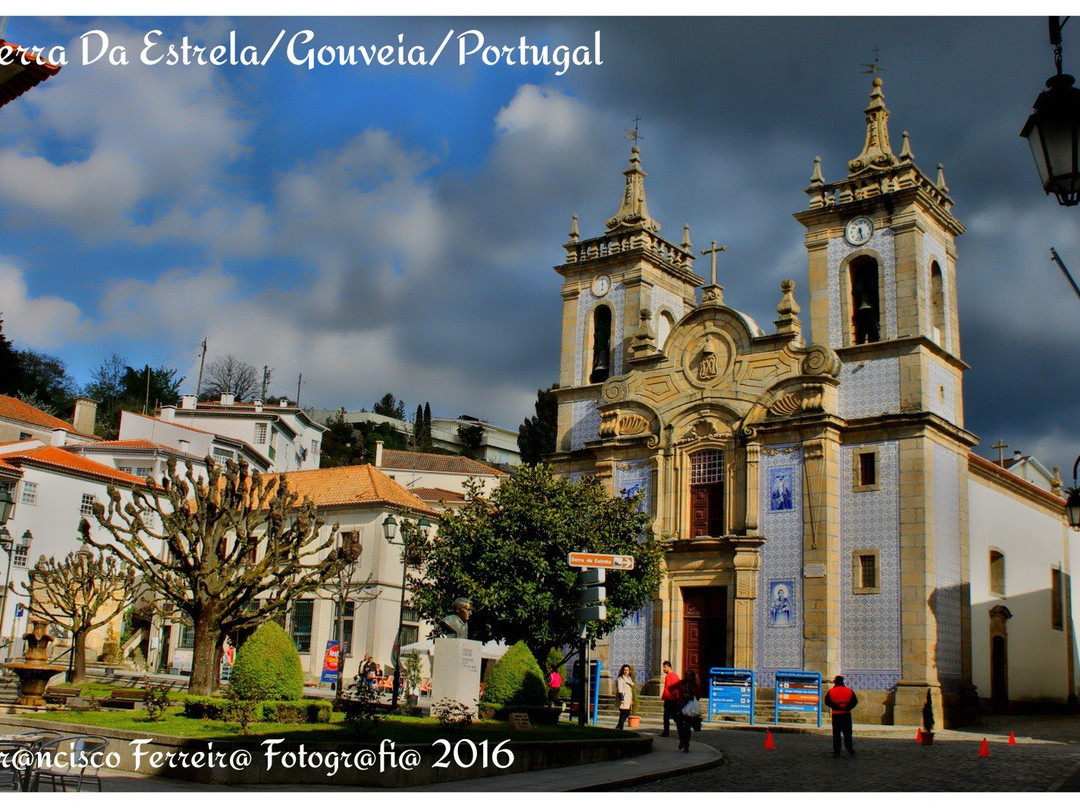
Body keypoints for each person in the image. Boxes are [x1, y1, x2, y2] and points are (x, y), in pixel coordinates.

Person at [824, 674, 858, 756]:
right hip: (846, 714)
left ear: (835, 682)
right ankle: (849, 748)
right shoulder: (849, 691)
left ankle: (837, 750)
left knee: (836, 733)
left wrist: (835, 707)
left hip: (836, 715)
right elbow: (854, 701)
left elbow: (827, 702)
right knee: (847, 733)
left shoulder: (831, 691)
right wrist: (847, 707)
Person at [673, 669, 700, 752]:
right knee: (679, 725)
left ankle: (686, 745)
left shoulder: (695, 685)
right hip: (681, 706)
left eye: (689, 675)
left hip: (690, 709)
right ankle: (682, 739)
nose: (688, 676)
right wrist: (679, 695)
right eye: (686, 674)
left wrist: (690, 696)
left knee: (687, 727)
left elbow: (698, 695)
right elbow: (674, 690)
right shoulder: (681, 683)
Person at [660, 660, 680, 737]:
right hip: (675, 699)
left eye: (665, 667)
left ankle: (666, 732)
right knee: (675, 716)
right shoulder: (676, 676)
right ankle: (680, 731)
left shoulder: (668, 676)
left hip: (669, 699)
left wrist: (664, 697)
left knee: (666, 716)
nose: (663, 669)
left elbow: (668, 688)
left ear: (669, 667)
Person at [614, 664, 634, 730]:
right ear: (622, 671)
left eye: (627, 670)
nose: (626, 671)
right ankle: (620, 727)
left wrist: (631, 700)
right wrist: (622, 699)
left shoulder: (629, 678)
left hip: (628, 699)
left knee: (627, 713)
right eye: (625, 670)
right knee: (623, 713)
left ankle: (618, 726)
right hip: (623, 698)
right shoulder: (620, 679)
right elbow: (620, 690)